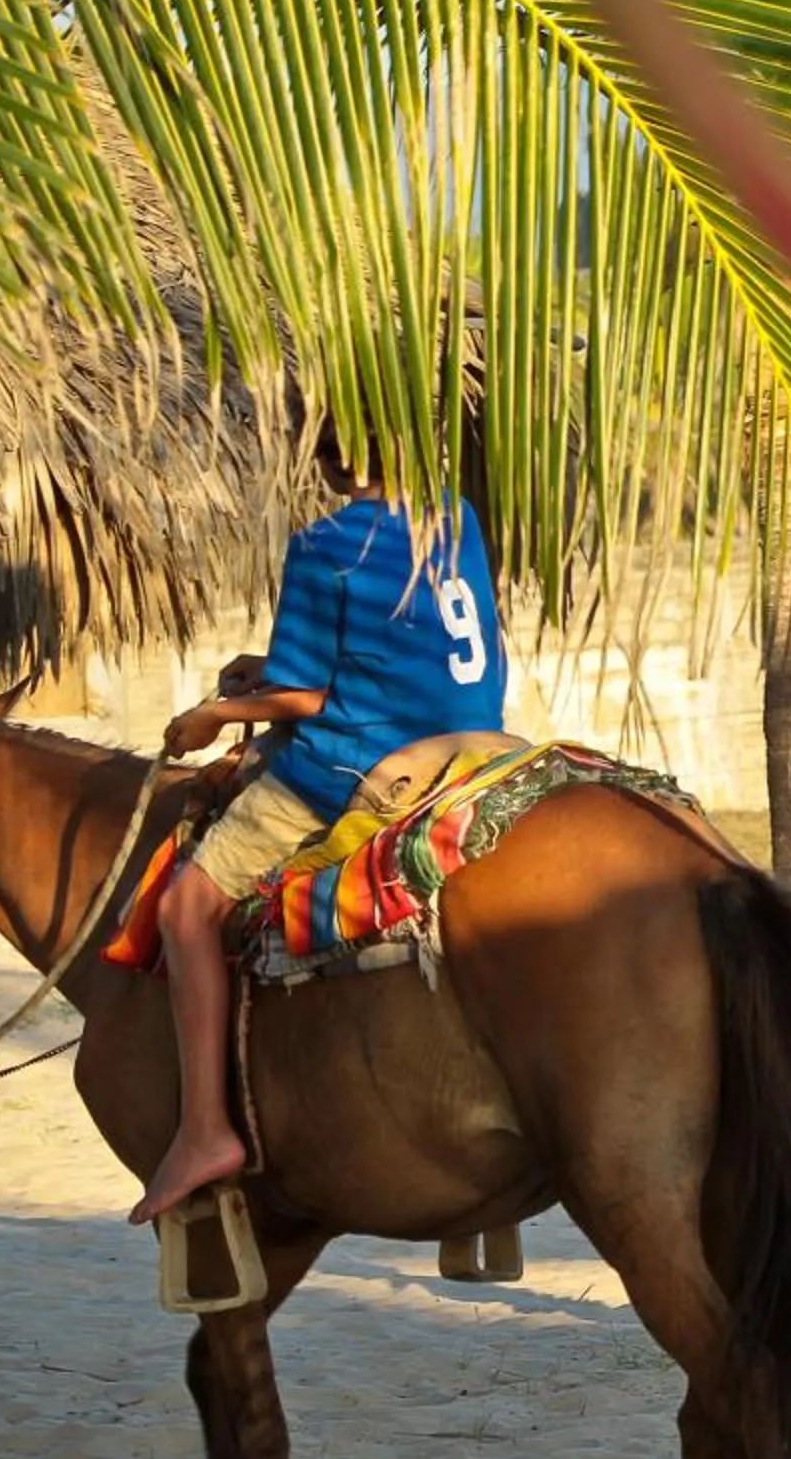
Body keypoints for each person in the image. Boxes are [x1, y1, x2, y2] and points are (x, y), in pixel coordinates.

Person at [129, 433, 511, 1223]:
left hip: (359, 767)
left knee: (185, 906)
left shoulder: (326, 541)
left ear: (326, 453)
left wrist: (215, 713)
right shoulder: (454, 515)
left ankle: (204, 1130)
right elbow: (390, 655)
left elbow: (308, 701)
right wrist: (259, 676)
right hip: (472, 747)